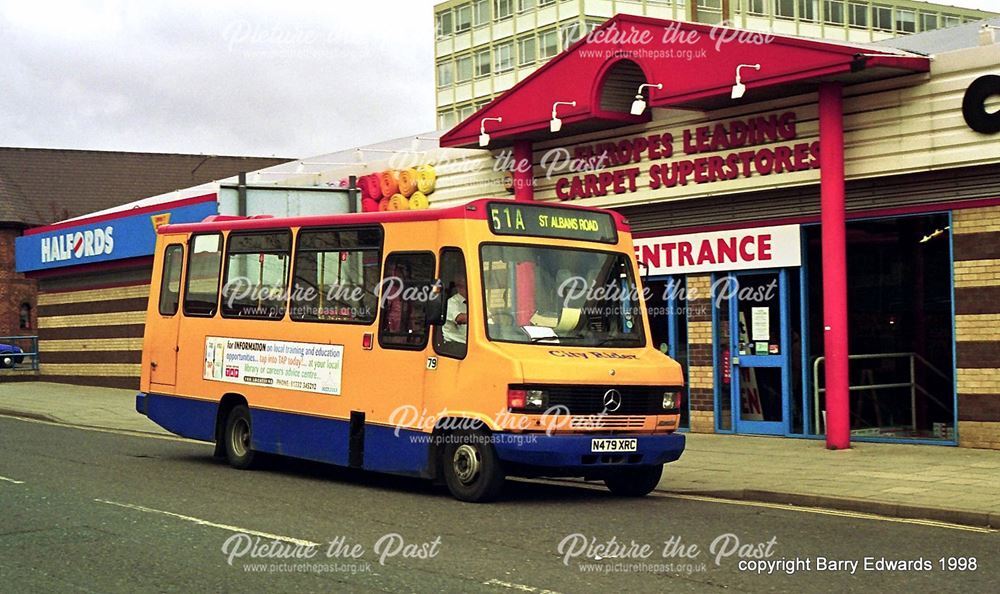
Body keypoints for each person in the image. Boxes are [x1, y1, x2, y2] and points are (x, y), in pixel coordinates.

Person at [442, 277, 468, 344]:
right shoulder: (451, 302)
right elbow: (460, 318)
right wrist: (480, 317)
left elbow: (488, 315)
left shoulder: (474, 302)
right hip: (453, 344)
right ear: (459, 288)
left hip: (468, 342)